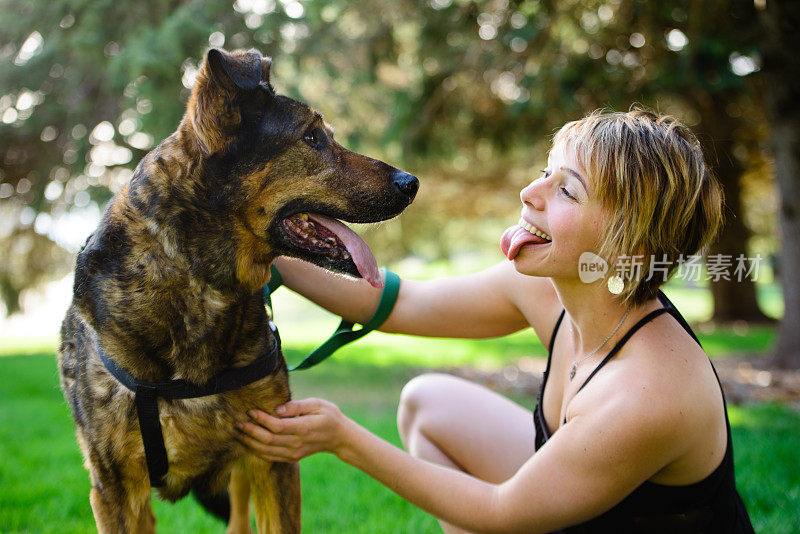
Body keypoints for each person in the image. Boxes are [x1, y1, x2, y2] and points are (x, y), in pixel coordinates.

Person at [235, 109, 755, 533]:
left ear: (629, 247)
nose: (532, 192)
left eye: (568, 191)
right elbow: (396, 303)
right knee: (429, 403)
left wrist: (344, 438)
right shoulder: (547, 286)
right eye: (547, 170)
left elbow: (503, 511)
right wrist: (262, 245)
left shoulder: (649, 392)